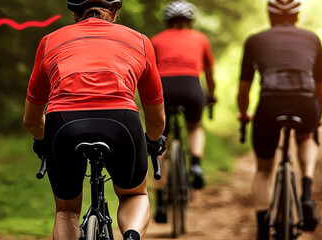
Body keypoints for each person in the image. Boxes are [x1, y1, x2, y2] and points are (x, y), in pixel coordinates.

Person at [22, 1, 167, 239]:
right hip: (121, 121)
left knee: (66, 211)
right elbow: (156, 118)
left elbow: (31, 120)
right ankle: (131, 236)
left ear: (73, 12)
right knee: (134, 195)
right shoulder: (140, 40)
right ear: (115, 11)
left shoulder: (49, 41)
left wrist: (43, 141)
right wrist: (152, 142)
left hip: (63, 124)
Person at [237, 0, 322, 239]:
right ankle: (306, 193)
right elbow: (320, 88)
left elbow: (244, 88)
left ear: (269, 15)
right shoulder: (313, 39)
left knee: (264, 170)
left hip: (269, 105)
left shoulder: (254, 41)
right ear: (297, 16)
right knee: (306, 137)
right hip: (306, 102)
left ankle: (262, 229)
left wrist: (244, 114)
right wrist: (318, 116)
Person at [149, 0, 216, 223]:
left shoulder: (156, 40)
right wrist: (211, 95)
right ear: (190, 21)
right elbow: (209, 71)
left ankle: (159, 202)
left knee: (160, 142)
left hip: (164, 89)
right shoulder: (200, 39)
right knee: (195, 126)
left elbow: (149, 73)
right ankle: (195, 164)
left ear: (167, 21)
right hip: (191, 86)